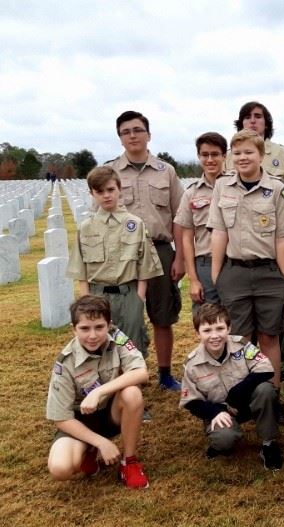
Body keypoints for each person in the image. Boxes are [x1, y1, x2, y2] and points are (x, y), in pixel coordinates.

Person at [208, 130, 284, 390]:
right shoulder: (222, 187)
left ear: (261, 156)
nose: (242, 157)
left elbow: (282, 238)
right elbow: (219, 232)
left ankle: (272, 395)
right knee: (239, 338)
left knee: (270, 337)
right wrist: (217, 274)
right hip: (235, 272)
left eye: (248, 152)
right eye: (237, 153)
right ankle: (242, 398)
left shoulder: (279, 190)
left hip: (269, 273)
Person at [106, 110, 184, 391]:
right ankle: (130, 377)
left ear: (148, 135)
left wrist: (180, 257)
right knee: (127, 318)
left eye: (137, 130)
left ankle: (165, 374)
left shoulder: (166, 171)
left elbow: (180, 217)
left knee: (163, 316)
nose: (132, 135)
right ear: (120, 138)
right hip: (123, 256)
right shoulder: (110, 171)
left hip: (160, 250)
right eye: (126, 132)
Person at [46, 295, 150, 489]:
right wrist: (101, 442)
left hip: (111, 414)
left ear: (109, 325)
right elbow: (60, 418)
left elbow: (141, 372)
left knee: (132, 393)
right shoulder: (65, 362)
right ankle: (90, 449)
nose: (92, 335)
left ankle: (130, 463)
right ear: (73, 328)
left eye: (99, 327)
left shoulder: (117, 338)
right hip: (81, 421)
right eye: (84, 328)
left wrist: (99, 392)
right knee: (60, 468)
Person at [67, 166, 162, 357]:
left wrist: (139, 298)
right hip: (97, 295)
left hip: (128, 294)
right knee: (99, 343)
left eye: (110, 190)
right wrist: (85, 302)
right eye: (99, 191)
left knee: (132, 344)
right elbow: (80, 271)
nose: (106, 196)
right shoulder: (86, 228)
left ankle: (132, 382)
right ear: (92, 193)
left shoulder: (135, 224)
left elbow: (145, 265)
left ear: (119, 189)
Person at [179, 303, 283, 469]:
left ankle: (269, 444)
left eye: (220, 328)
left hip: (247, 403)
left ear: (229, 328)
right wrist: (215, 412)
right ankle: (220, 440)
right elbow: (191, 402)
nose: (214, 336)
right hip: (220, 411)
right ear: (197, 333)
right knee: (224, 441)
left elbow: (266, 369)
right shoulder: (192, 364)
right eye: (207, 330)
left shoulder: (242, 347)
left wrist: (238, 393)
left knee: (266, 390)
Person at [174, 132, 227, 312]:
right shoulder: (191, 194)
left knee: (238, 321)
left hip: (233, 263)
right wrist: (193, 279)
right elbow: (187, 239)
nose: (210, 159)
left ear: (224, 156)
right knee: (208, 319)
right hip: (205, 263)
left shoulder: (235, 188)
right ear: (198, 157)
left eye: (215, 154)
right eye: (205, 155)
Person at [226, 101, 284, 200]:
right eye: (247, 117)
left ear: (266, 124)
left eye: (258, 116)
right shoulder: (228, 155)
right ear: (241, 124)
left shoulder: (282, 153)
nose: (252, 121)